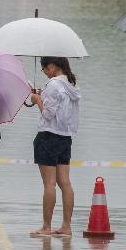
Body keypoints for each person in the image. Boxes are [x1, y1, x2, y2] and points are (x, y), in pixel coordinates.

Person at [29, 56, 80, 238]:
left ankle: (46, 226)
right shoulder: (71, 84)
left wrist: (37, 100)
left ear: (51, 66)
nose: (44, 72)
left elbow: (48, 114)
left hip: (48, 137)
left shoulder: (53, 85)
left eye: (44, 69)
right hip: (65, 138)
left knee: (49, 184)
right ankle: (66, 226)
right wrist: (42, 94)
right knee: (65, 183)